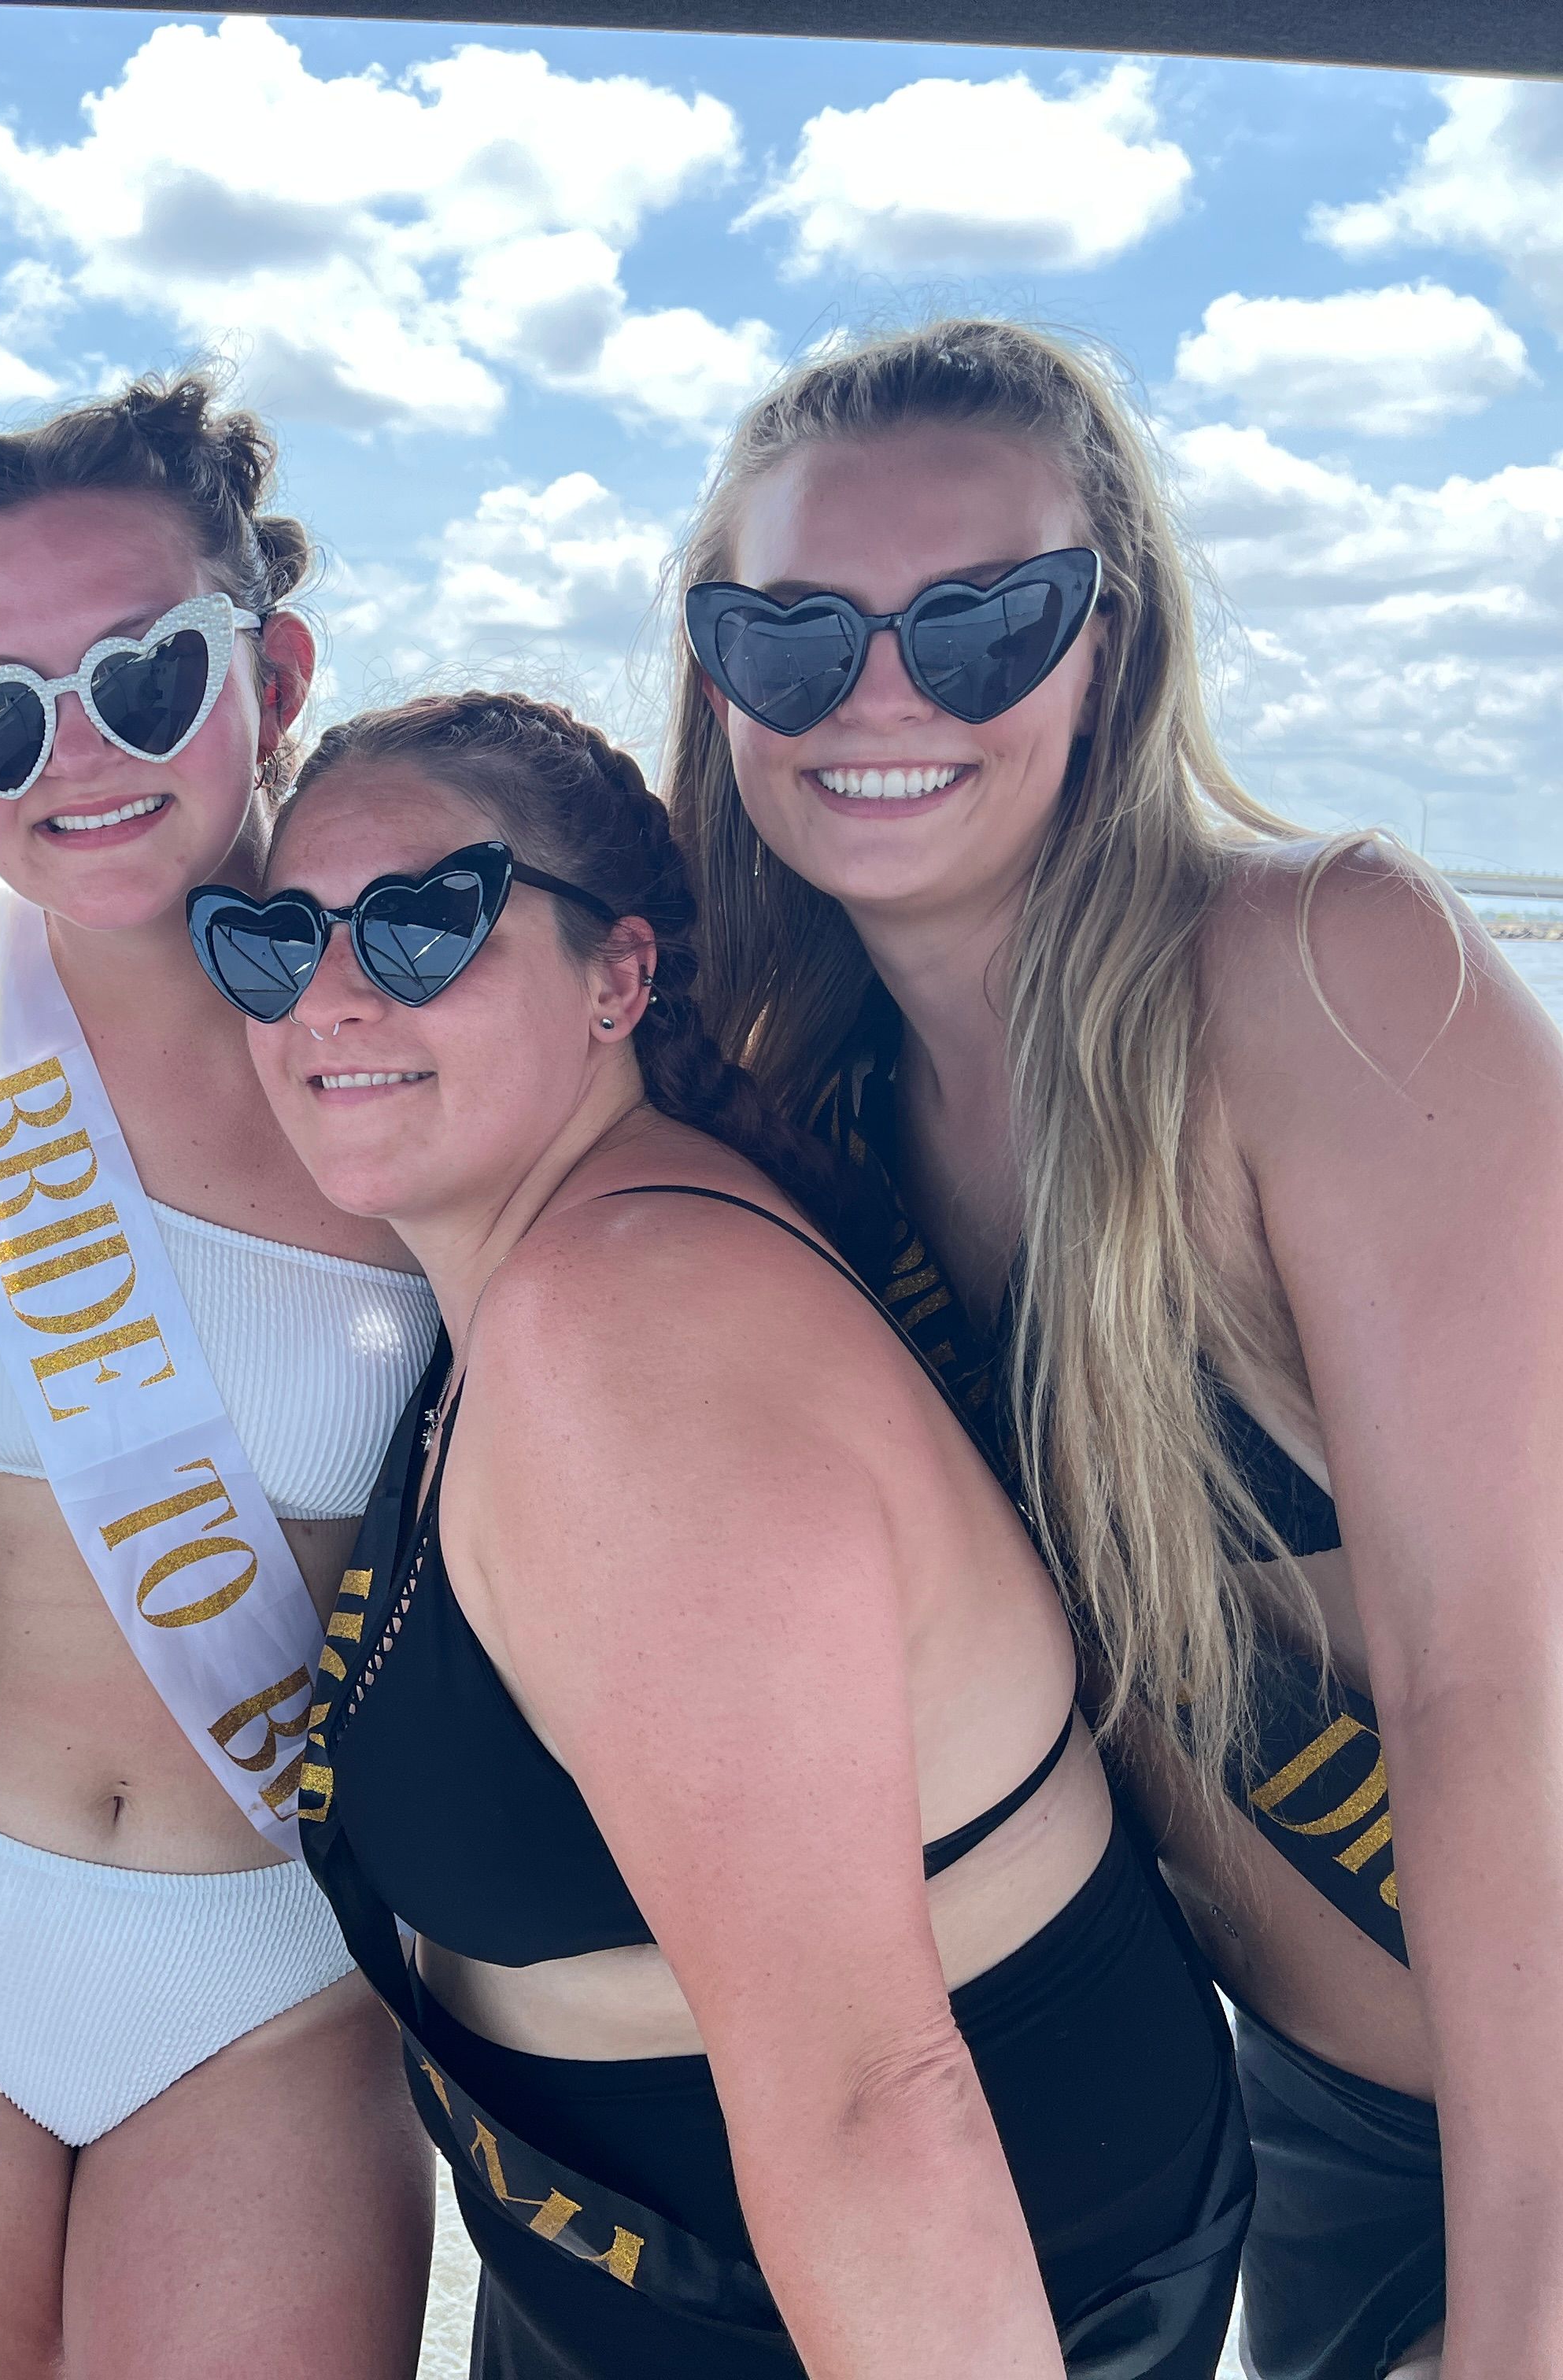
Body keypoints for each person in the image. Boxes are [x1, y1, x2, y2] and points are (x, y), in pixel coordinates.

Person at [665, 317, 1563, 2380]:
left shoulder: (1319, 973)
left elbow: (1486, 1676)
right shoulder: (826, 1120)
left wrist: (1526, 2322)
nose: (879, 694)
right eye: (792, 635)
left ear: (1112, 641)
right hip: (1323, 2120)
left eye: (984, 622)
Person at [219, 688, 1250, 2378]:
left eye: (420, 924)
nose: (329, 993)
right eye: (274, 940)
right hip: (693, 2263)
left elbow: (871, 2102)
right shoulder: (546, 1265)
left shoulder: (628, 1346)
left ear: (617, 977)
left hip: (906, 2293)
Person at [0, 372, 438, 2378]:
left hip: (280, 1974)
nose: (75, 755)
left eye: (146, 675)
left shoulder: (426, 1038)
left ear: (276, 664)